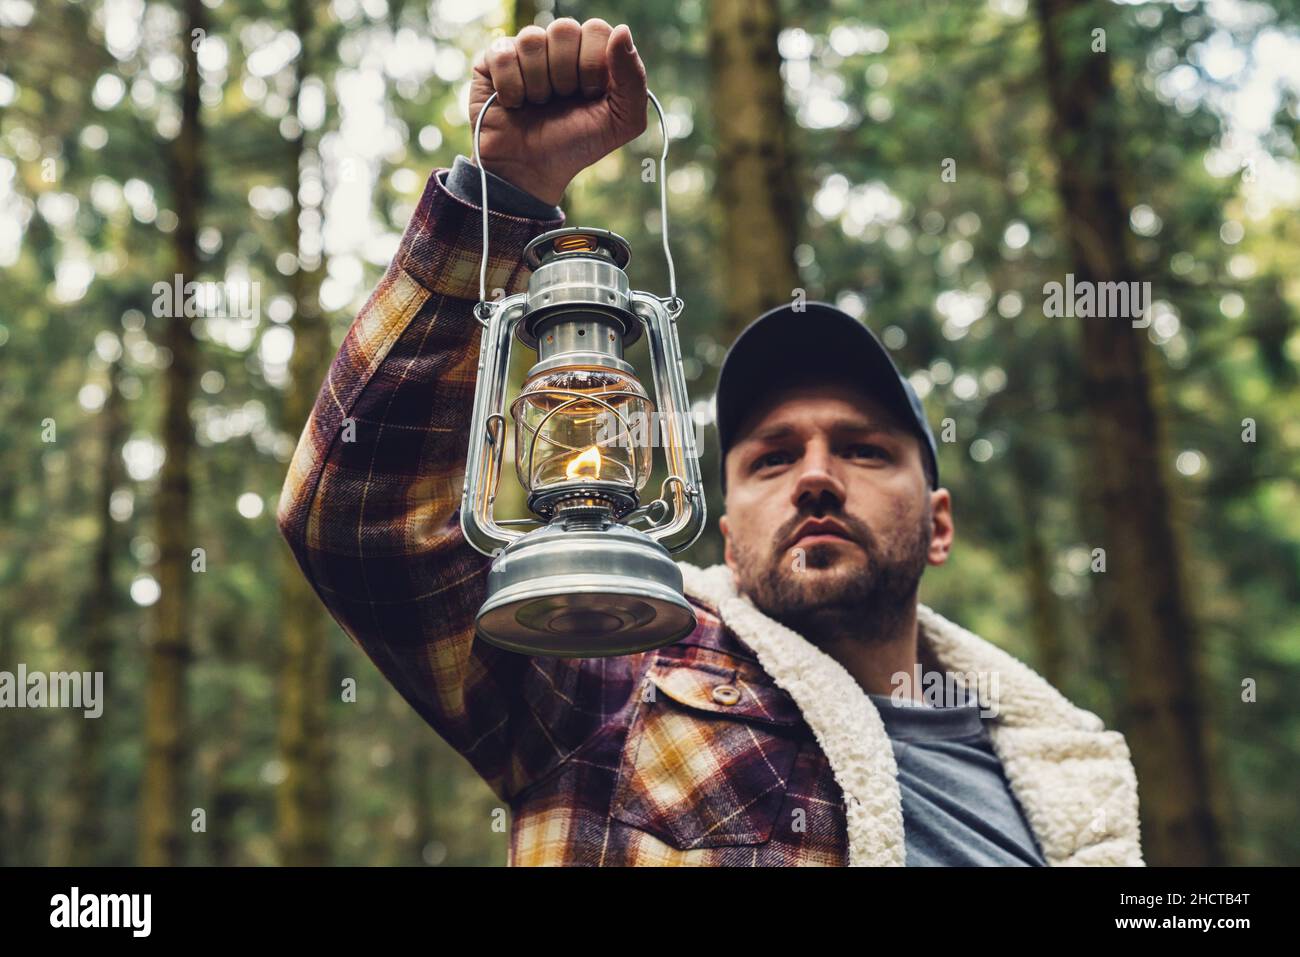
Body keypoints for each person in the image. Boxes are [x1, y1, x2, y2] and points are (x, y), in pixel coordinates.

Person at [277, 18, 1143, 866]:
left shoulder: (1067, 775)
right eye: (770, 457)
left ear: (941, 522)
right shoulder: (609, 677)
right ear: (725, 530)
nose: (815, 478)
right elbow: (362, 522)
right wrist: (507, 198)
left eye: (864, 449)